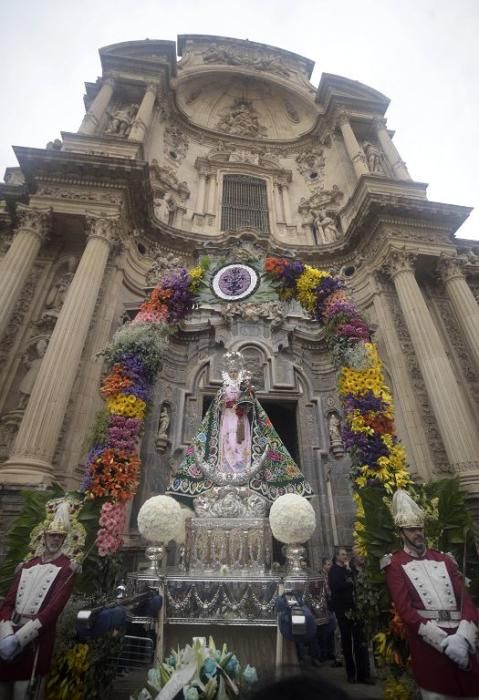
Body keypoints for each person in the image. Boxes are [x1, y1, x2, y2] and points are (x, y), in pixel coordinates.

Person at [166, 351, 313, 504]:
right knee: (227, 441)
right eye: (231, 371)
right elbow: (217, 406)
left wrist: (245, 404)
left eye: (236, 371)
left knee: (242, 442)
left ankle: (242, 469)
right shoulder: (223, 389)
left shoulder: (245, 387)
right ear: (228, 373)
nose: (234, 373)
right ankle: (227, 470)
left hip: (241, 420)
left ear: (239, 372)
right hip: (227, 420)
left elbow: (252, 405)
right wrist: (225, 404)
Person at [382, 489, 479, 699]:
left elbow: (466, 601)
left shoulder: (444, 559)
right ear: (401, 533)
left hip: (461, 639)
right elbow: (406, 611)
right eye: (411, 529)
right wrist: (444, 642)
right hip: (430, 645)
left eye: (419, 528)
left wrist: (463, 638)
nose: (418, 533)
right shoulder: (395, 563)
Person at [0, 502, 78, 700]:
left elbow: (53, 609)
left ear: (64, 539)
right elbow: (8, 603)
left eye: (59, 536)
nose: (55, 539)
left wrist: (20, 639)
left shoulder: (67, 568)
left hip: (35, 640)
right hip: (8, 635)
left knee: (24, 693)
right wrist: (7, 634)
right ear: (44, 537)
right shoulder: (28, 564)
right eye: (52, 535)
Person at [328, 547, 372, 684]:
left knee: (360, 642)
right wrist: (350, 582)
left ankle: (363, 674)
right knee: (347, 642)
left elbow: (357, 582)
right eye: (342, 554)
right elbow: (337, 586)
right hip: (343, 610)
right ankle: (351, 674)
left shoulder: (349, 570)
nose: (345, 556)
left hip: (355, 609)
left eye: (346, 554)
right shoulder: (334, 571)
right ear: (336, 556)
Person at [316, 557, 341, 666]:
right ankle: (322, 653)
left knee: (331, 630)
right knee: (322, 631)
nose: (329, 566)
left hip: (331, 606)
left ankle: (330, 652)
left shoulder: (332, 575)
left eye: (330, 564)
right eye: (327, 564)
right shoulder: (319, 576)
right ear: (323, 565)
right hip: (323, 607)